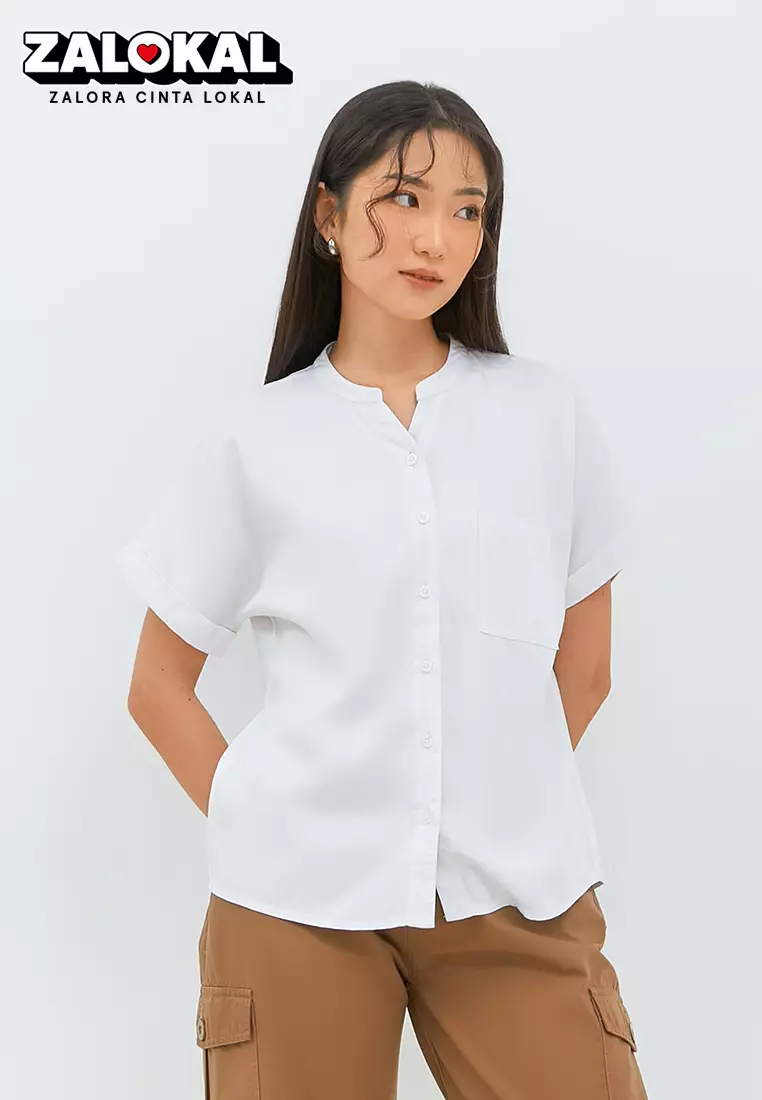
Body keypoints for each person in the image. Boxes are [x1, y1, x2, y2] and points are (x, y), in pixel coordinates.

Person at [117, 80, 648, 1100]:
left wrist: (486, 796)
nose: (436, 237)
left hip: (519, 895)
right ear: (329, 214)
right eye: (403, 197)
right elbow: (157, 685)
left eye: (467, 209)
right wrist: (268, 823)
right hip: (292, 905)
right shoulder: (257, 437)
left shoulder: (544, 416)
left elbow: (586, 667)